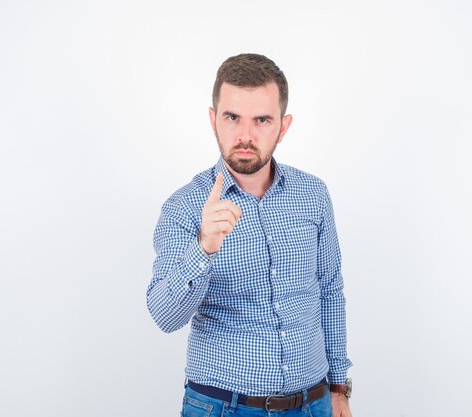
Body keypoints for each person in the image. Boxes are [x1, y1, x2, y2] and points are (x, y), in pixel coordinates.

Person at [146, 53, 353, 417]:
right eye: (232, 118)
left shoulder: (313, 194)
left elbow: (330, 289)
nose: (245, 135)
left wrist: (339, 387)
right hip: (223, 407)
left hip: (314, 404)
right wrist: (204, 248)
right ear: (213, 120)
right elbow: (164, 316)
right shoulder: (184, 207)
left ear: (283, 126)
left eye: (261, 120)